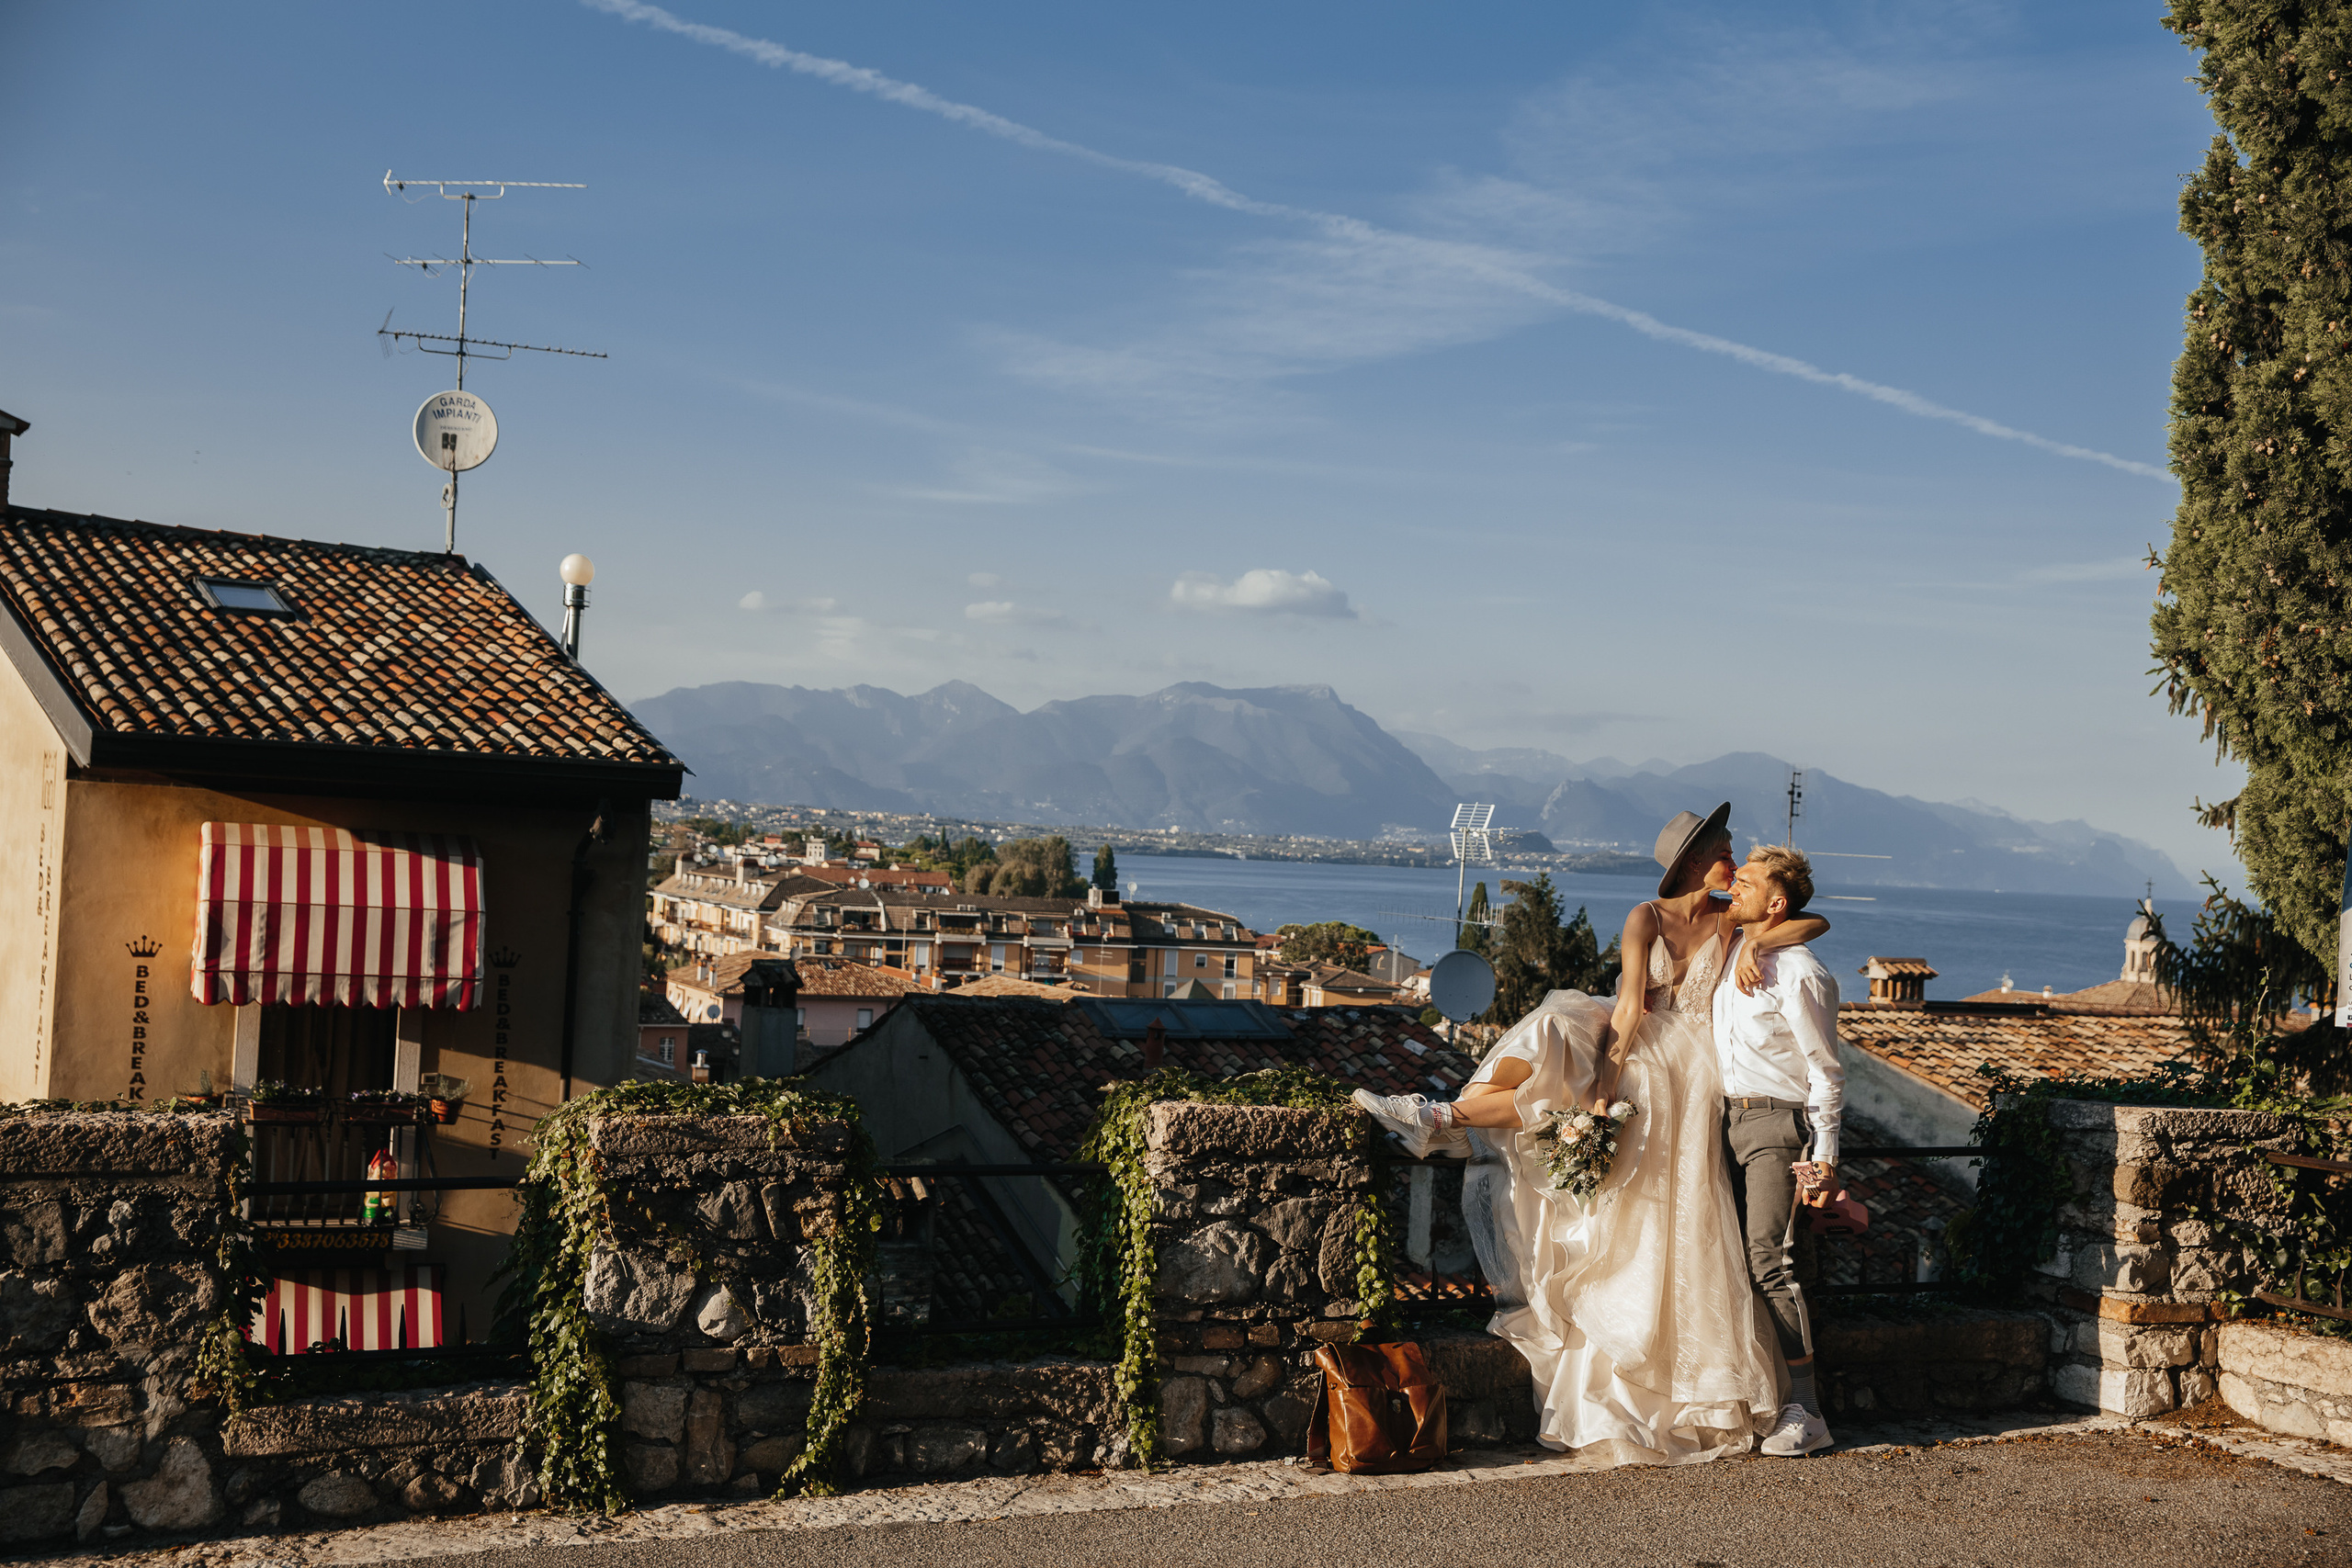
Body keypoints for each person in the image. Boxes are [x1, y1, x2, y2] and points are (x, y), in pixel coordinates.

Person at [1355, 804, 1826, 1464]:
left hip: (1702, 1072)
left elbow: (1811, 920)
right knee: (1557, 1049)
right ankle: (1442, 1115)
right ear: (1696, 858)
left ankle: (1441, 1117)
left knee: (1682, 1211)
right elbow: (1631, 1004)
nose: (1734, 855)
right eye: (1725, 846)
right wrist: (1608, 1082)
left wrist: (1768, 941)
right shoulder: (1646, 917)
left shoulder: (1733, 917)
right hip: (1645, 1054)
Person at [1713, 844, 1846, 1459]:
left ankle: (1809, 1410)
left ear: (1775, 901)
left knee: (1772, 1260)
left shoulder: (1800, 973)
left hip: (1777, 1129)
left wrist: (1826, 1155)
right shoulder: (1740, 950)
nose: (1732, 887)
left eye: (1746, 881)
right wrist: (1750, 943)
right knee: (1730, 1257)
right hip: (1725, 1124)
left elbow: (1825, 1070)